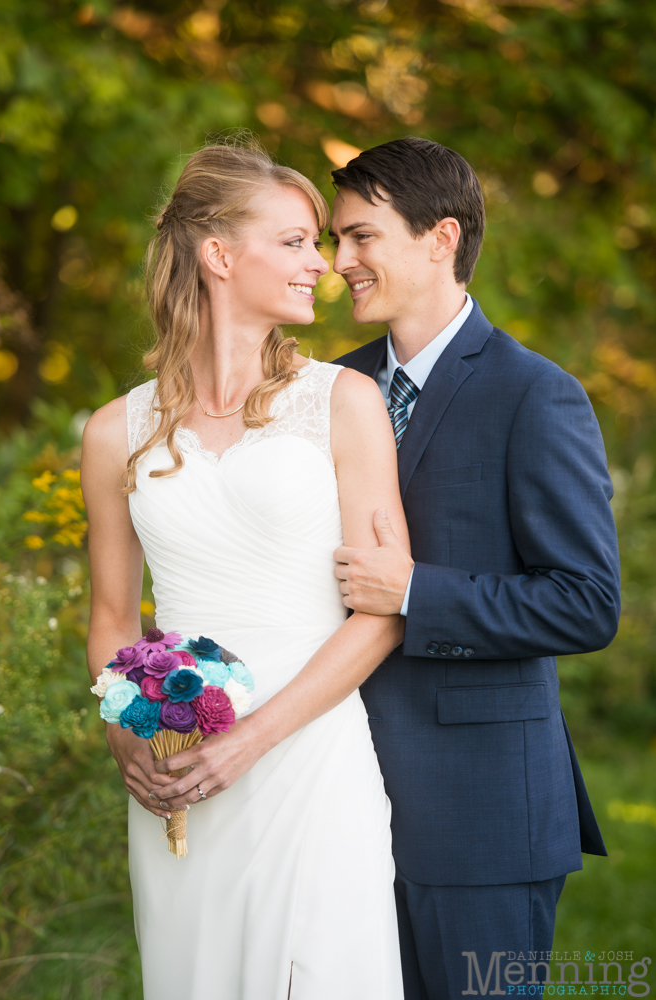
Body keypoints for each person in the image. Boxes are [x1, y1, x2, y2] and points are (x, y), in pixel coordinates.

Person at [80, 138, 407, 1000]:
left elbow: (382, 609)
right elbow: (113, 617)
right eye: (296, 242)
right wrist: (126, 732)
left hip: (312, 759)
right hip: (179, 769)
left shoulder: (344, 402)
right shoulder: (116, 430)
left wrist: (253, 742)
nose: (323, 266)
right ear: (219, 255)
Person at [329, 137, 621, 1000]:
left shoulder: (536, 393)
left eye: (360, 237)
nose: (338, 261)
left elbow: (584, 603)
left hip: (482, 814)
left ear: (439, 237)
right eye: (336, 240)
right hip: (338, 803)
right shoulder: (330, 390)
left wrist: (414, 593)